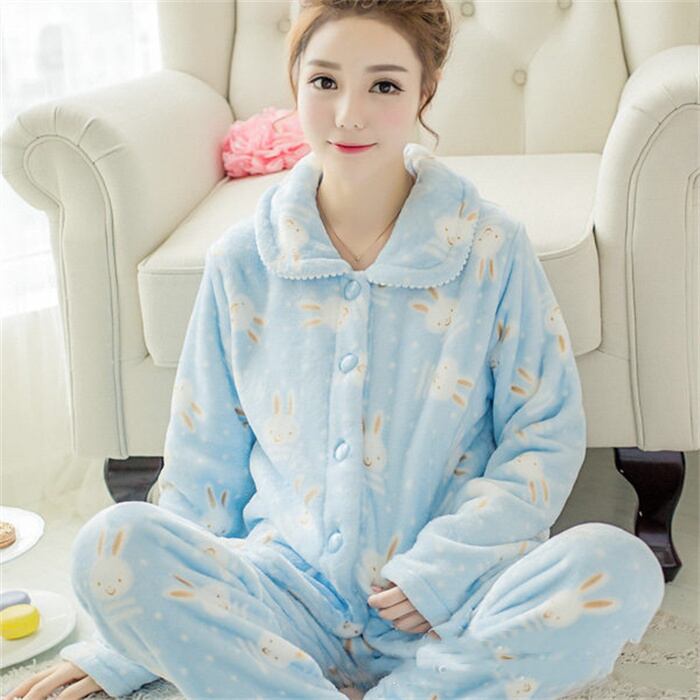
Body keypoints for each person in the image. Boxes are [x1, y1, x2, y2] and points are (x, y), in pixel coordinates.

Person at [4, 1, 666, 699]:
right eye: (325, 81)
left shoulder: (490, 249)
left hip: (448, 606)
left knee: (616, 568)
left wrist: (443, 570)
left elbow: (541, 437)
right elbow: (203, 467)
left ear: (426, 90)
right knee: (110, 545)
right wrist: (126, 646)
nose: (350, 114)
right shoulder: (243, 262)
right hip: (283, 600)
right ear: (294, 82)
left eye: (383, 85)